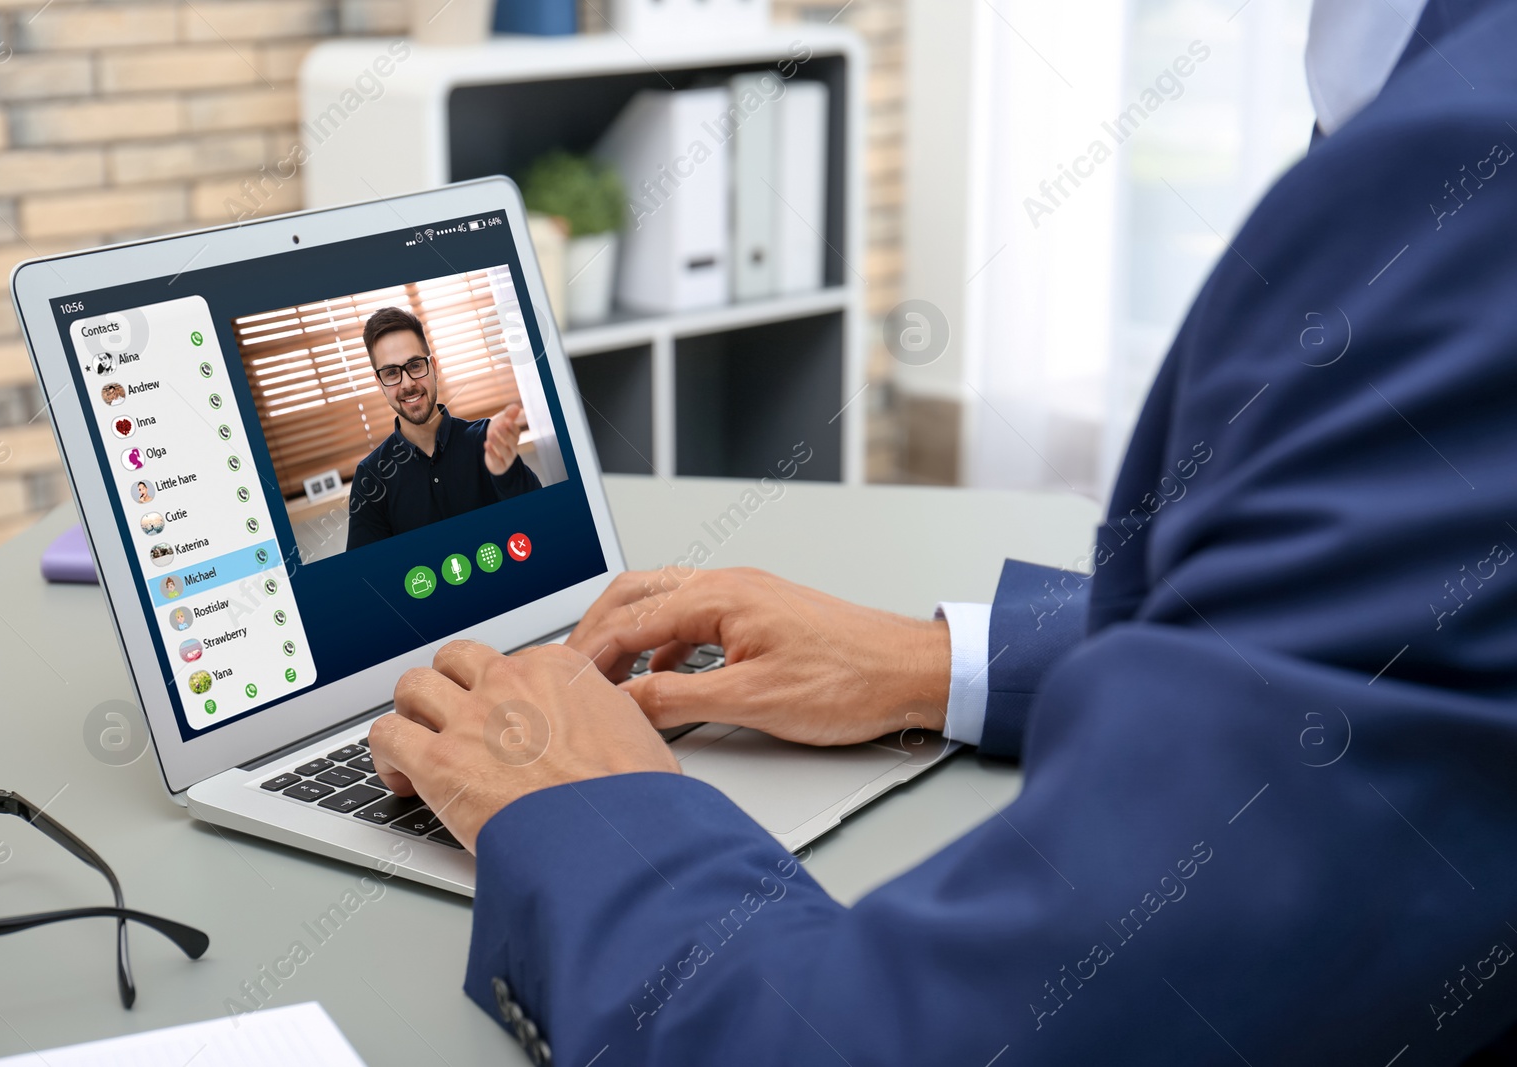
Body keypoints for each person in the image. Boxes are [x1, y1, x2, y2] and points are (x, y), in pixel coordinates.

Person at [368, 1, 1517, 1062]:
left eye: (423, 361)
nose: (417, 382)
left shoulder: (1471, 177)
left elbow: (920, 1037)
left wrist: (588, 813)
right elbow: (1397, 642)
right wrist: (938, 661)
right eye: (397, 373)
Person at [345, 307, 540, 551]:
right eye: (392, 373)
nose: (407, 384)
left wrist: (506, 473)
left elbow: (538, 526)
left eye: (415, 366)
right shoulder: (370, 477)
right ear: (380, 383)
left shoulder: (487, 440)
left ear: (433, 367)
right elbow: (368, 574)